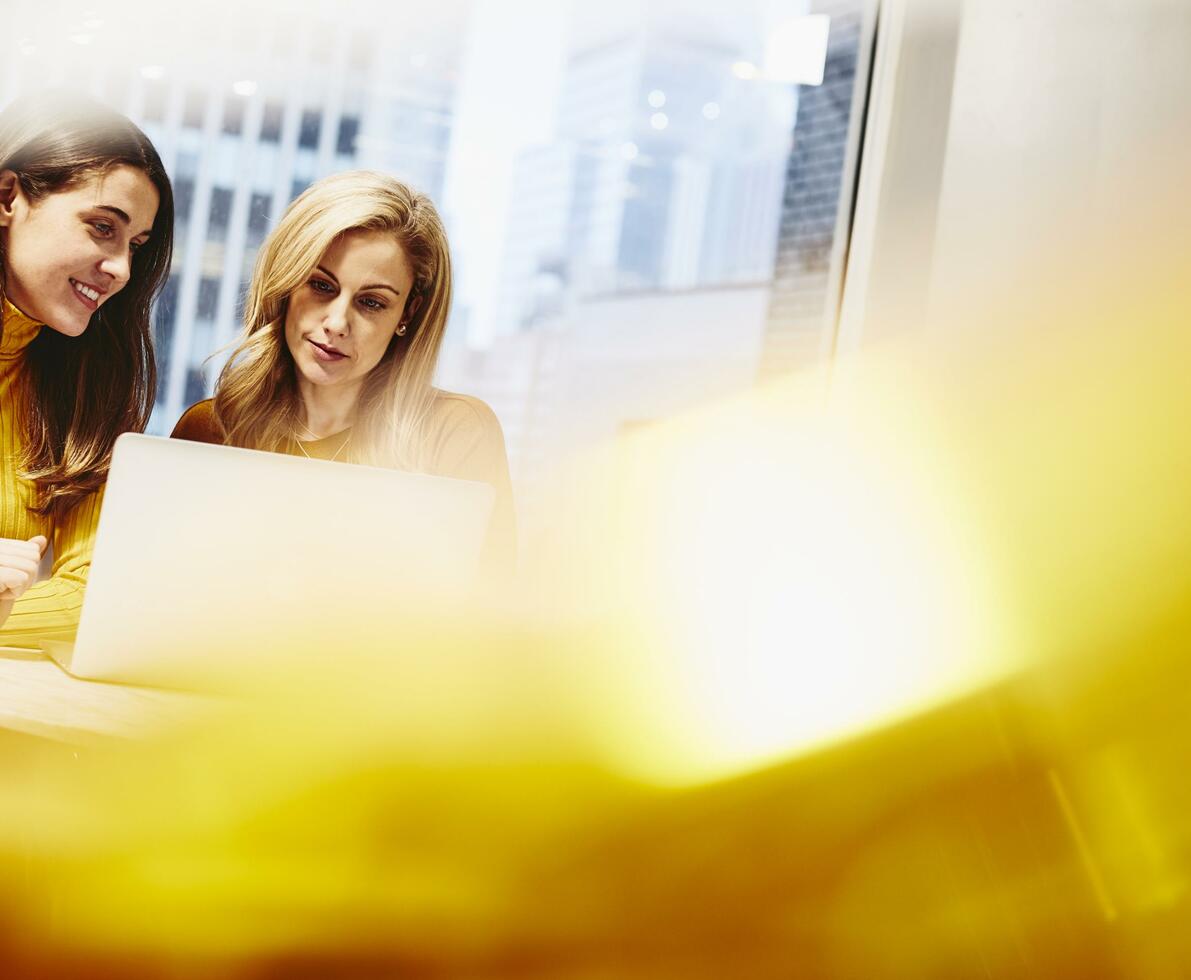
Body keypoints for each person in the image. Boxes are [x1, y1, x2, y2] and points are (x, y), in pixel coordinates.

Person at [171, 170, 514, 569]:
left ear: (408, 313)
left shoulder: (453, 432)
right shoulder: (211, 429)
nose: (337, 323)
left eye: (371, 303)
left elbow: (491, 606)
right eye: (321, 286)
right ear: (286, 285)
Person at [0, 92, 173, 643]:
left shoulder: (87, 387)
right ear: (8, 197)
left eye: (136, 244)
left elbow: (94, 592)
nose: (121, 268)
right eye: (103, 227)